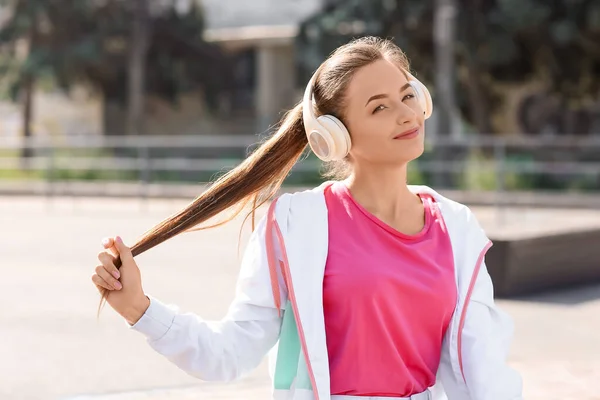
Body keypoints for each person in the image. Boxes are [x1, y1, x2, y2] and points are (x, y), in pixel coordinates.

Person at [91, 36, 523, 400]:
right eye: (379, 107)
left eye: (407, 95)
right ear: (335, 137)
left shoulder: (458, 230)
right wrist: (140, 309)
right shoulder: (297, 226)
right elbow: (230, 354)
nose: (407, 114)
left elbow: (485, 370)